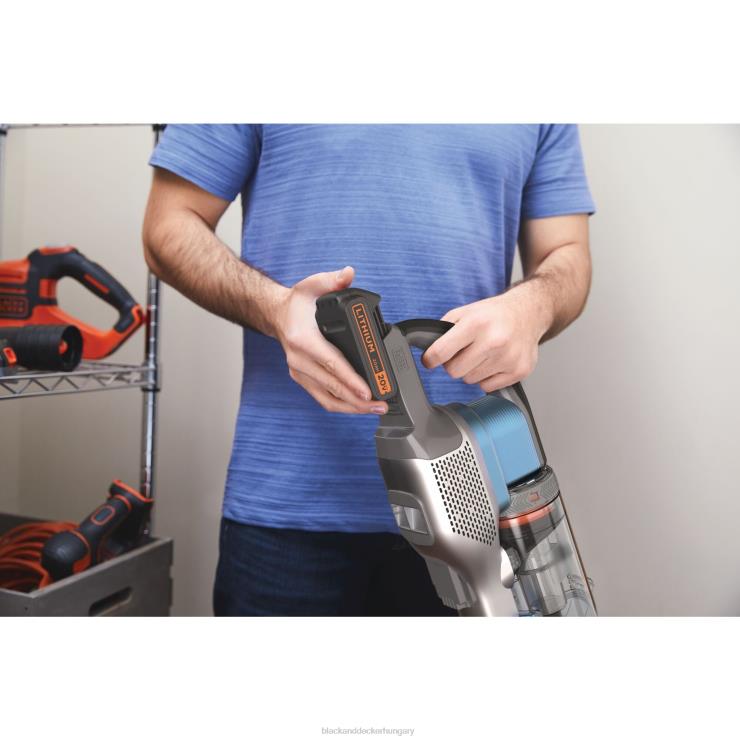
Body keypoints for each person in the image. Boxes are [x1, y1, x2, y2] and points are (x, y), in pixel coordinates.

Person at [142, 125, 594, 616]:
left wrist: (533, 306)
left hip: (483, 499)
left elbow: (566, 255)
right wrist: (276, 310)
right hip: (289, 504)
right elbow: (168, 226)